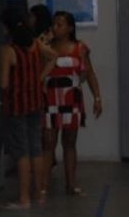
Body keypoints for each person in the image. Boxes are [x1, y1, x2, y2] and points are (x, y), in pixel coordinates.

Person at [0, 7, 57, 209]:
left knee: (22, 153)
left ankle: (24, 199)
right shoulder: (35, 45)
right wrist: (39, 78)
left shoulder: (8, 50)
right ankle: (39, 194)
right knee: (36, 149)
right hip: (35, 103)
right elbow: (54, 56)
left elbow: (4, 83)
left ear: (6, 27)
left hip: (17, 107)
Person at [43, 11, 102, 196]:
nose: (55, 27)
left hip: (72, 98)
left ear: (70, 28)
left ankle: (71, 184)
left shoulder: (80, 47)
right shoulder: (45, 47)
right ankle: (43, 185)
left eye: (60, 24)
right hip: (50, 98)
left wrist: (97, 98)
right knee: (48, 142)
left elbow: (90, 74)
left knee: (69, 142)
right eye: (54, 24)